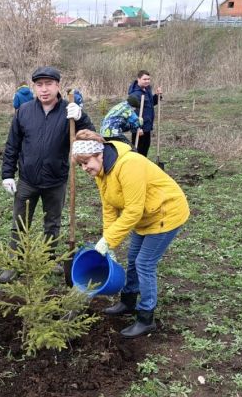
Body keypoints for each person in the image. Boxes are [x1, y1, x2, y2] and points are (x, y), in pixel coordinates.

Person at [72, 130, 189, 338]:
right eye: (80, 164)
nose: (84, 168)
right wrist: (109, 242)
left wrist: (108, 240)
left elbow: (133, 210)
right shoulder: (101, 172)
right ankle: (127, 302)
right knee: (133, 258)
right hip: (145, 217)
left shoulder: (129, 165)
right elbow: (109, 208)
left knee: (144, 263)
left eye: (86, 162)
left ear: (99, 154)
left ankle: (146, 318)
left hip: (165, 213)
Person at [0, 66, 95, 283]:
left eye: (48, 84)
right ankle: (15, 263)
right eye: (39, 85)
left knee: (52, 223)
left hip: (56, 180)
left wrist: (81, 118)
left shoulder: (68, 111)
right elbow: (12, 145)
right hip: (27, 180)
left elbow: (89, 139)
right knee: (20, 223)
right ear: (34, 87)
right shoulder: (24, 111)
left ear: (57, 86)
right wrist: (7, 174)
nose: (44, 90)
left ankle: (48, 259)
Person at [127, 71, 162, 157]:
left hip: (147, 125)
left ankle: (143, 167)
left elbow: (150, 104)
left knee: (145, 148)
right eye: (144, 79)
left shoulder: (147, 89)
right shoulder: (135, 94)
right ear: (138, 79)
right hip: (139, 128)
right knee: (138, 150)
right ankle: (135, 168)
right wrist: (138, 127)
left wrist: (157, 96)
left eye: (148, 79)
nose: (147, 81)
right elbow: (132, 112)